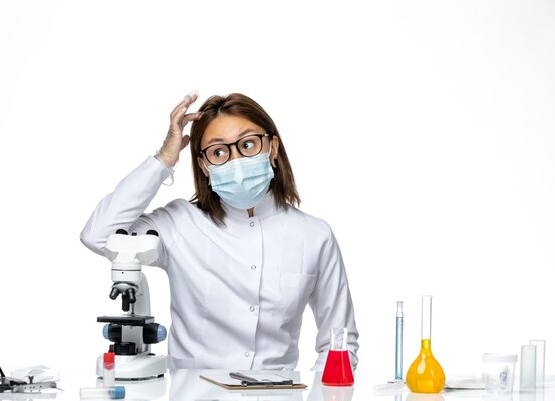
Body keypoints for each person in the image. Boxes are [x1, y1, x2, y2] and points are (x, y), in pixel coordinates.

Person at [80, 91, 359, 371]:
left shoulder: (314, 235)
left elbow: (339, 343)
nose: (236, 161)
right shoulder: (180, 223)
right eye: (219, 152)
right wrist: (164, 159)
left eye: (248, 144)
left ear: (272, 147)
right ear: (204, 165)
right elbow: (99, 235)